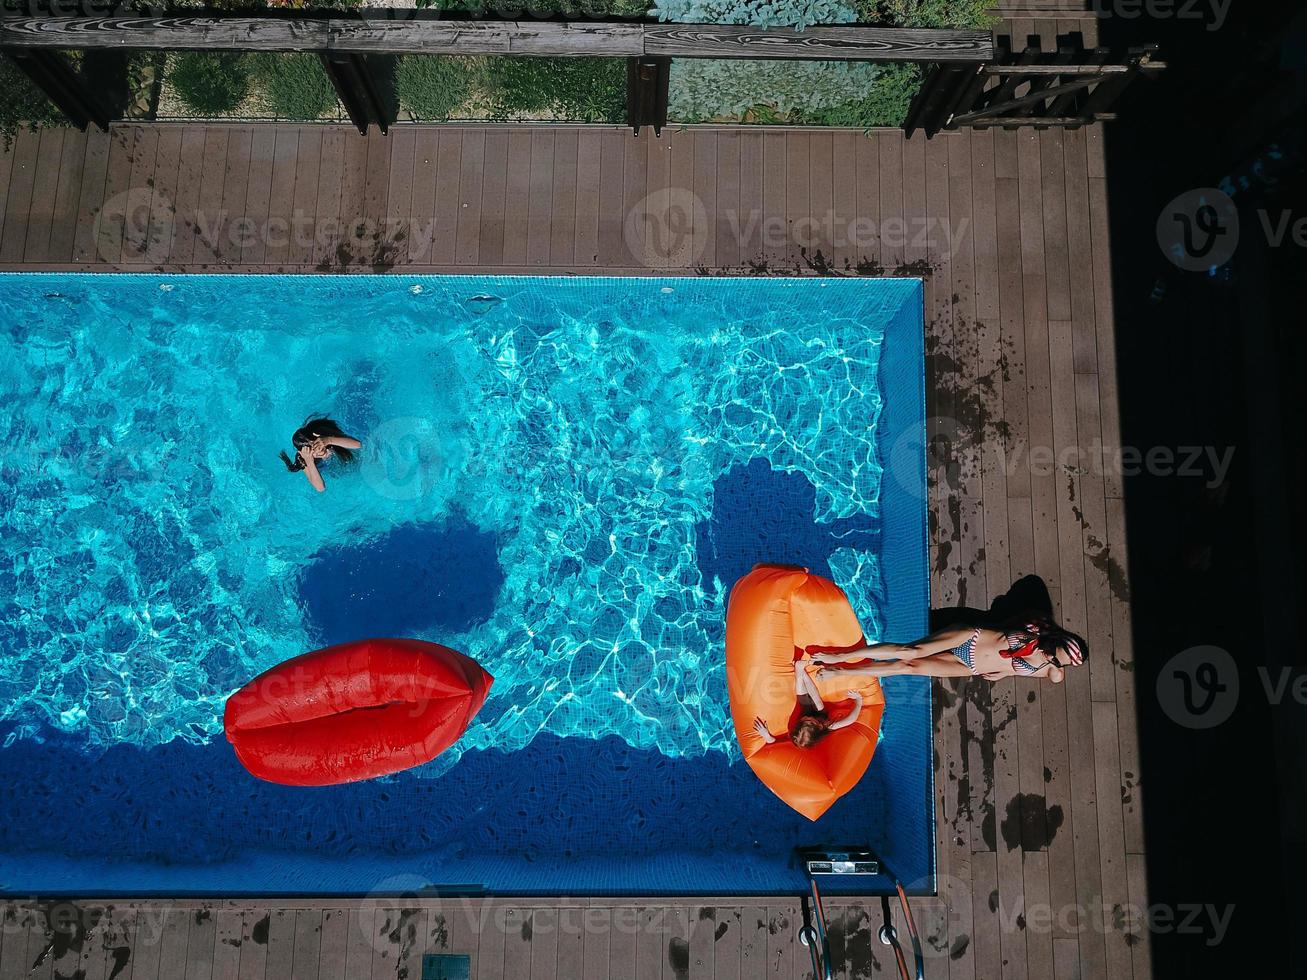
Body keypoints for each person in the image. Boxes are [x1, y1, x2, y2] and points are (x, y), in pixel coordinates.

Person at [812, 615, 1087, 684]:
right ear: (1058, 639)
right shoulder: (1037, 629)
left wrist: (1006, 674)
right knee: (910, 651)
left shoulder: (1048, 668)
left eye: (1057, 661)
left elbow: (1052, 676)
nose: (1051, 658)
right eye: (1054, 652)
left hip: (970, 667)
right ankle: (843, 656)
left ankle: (839, 673)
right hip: (971, 638)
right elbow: (1007, 622)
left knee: (905, 667)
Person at [753, 661, 864, 749]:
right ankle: (801, 672)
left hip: (807, 710)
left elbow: (776, 742)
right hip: (820, 713)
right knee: (818, 702)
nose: (805, 718)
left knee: (803, 701)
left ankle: (799, 671)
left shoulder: (796, 736)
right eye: (809, 720)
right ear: (819, 725)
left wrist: (767, 736)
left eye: (803, 721)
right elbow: (851, 719)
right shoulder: (828, 725)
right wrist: (858, 700)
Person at [278, 418, 362, 493]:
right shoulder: (304, 458)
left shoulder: (324, 436)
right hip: (334, 471)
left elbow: (358, 445)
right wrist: (310, 461)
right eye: (313, 451)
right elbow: (320, 488)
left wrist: (329, 440)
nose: (319, 451)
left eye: (318, 445)